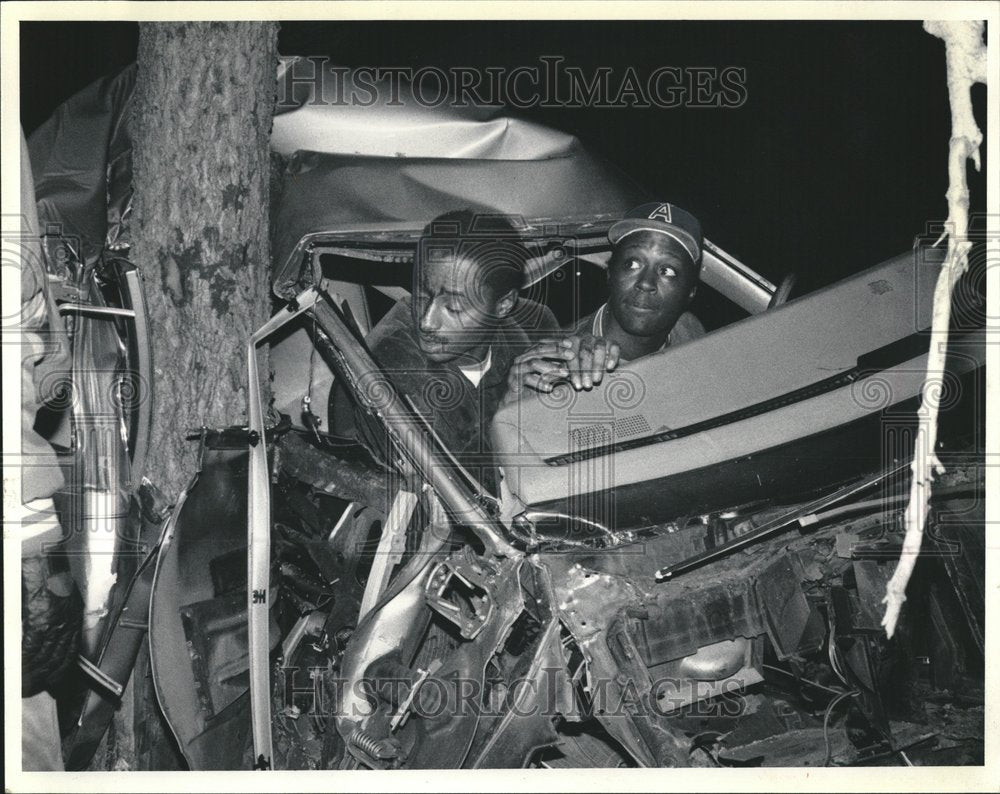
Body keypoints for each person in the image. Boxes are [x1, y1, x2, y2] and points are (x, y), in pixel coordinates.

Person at [331, 209, 557, 492]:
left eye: (454, 307)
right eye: (422, 294)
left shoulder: (534, 326)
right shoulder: (395, 369)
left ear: (503, 305)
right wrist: (510, 413)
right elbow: (472, 500)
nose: (426, 321)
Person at [508, 202, 705, 396]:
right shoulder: (560, 365)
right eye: (632, 264)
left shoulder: (689, 331)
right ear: (610, 273)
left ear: (691, 292)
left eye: (667, 271)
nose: (646, 283)